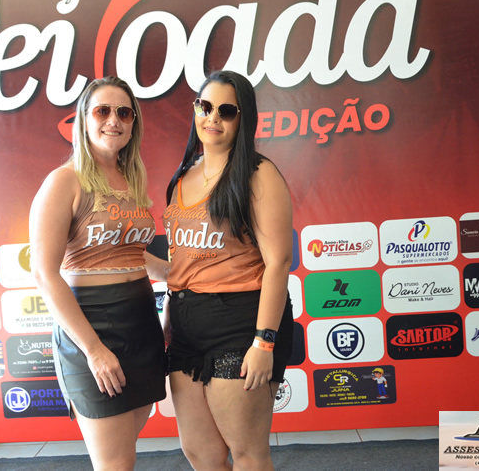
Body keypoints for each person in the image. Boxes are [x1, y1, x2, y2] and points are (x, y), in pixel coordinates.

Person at [146, 70, 294, 470]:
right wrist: (131, 259)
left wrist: (264, 342)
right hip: (185, 327)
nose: (213, 117)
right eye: (205, 106)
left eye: (226, 111)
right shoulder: (183, 174)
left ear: (243, 118)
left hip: (241, 325)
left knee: (247, 453)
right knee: (201, 452)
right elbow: (185, 264)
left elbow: (278, 262)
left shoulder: (258, 175)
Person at [29, 76, 166, 470]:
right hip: (91, 328)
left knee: (125, 452)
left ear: (134, 122)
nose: (114, 120)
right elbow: (44, 274)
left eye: (124, 112)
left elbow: (133, 254)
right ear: (83, 119)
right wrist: (93, 350)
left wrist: (190, 273)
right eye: (102, 111)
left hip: (142, 324)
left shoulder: (133, 179)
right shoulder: (64, 181)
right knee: (115, 464)